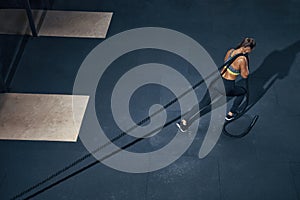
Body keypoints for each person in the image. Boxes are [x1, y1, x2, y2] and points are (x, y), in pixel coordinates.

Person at [176, 37, 256, 132]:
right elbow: (245, 75)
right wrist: (246, 62)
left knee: (203, 103)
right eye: (251, 50)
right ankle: (231, 114)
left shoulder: (231, 51)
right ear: (248, 49)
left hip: (217, 81)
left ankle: (185, 120)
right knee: (242, 92)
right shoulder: (242, 60)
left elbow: (226, 62)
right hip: (227, 86)